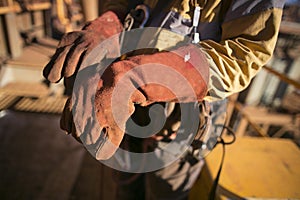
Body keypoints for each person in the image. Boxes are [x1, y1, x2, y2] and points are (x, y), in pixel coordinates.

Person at [43, 0, 286, 199]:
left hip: (182, 116)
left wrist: (136, 79)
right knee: (124, 185)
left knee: (164, 191)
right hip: (122, 105)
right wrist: (109, 23)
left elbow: (244, 54)